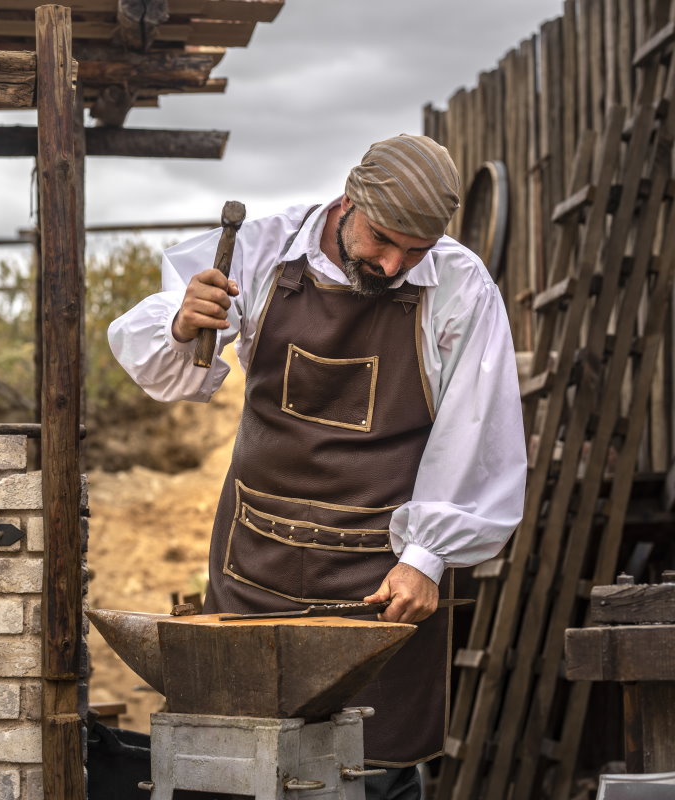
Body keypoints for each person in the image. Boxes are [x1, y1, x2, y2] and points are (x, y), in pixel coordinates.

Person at [107, 134, 526, 800]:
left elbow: (476, 430)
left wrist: (427, 558)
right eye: (381, 240)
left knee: (373, 763)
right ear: (347, 201)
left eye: (414, 251)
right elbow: (173, 374)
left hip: (378, 581)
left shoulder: (459, 286)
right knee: (242, 758)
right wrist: (185, 325)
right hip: (258, 561)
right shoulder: (263, 250)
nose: (392, 264)